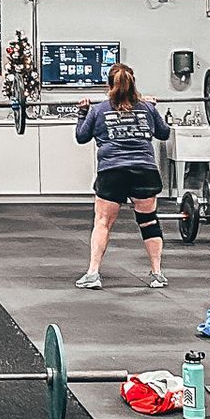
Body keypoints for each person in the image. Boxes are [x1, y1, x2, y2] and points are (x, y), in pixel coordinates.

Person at [72, 62, 172, 290]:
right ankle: (157, 274)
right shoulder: (146, 108)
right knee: (149, 222)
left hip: (112, 171)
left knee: (103, 222)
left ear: (109, 85)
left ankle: (93, 273)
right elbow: (164, 133)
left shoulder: (98, 110)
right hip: (144, 171)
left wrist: (82, 112)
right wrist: (154, 109)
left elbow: (81, 136)